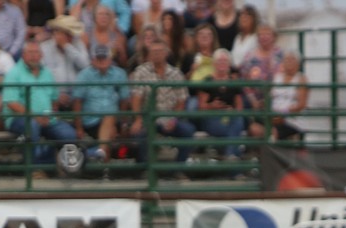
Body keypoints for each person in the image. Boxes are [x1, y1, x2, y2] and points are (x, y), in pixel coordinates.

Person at [1, 38, 77, 172]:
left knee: (68, 134)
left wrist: (49, 114)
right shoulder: (14, 73)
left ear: (41, 55)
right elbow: (12, 103)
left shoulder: (47, 73)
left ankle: (52, 165)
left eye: (36, 52)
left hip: (47, 118)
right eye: (29, 52)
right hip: (19, 119)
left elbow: (54, 99)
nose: (33, 56)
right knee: (32, 127)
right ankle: (33, 169)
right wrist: (35, 116)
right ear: (23, 55)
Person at [128, 39, 194, 173]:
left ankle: (178, 169)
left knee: (188, 131)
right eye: (153, 52)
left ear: (166, 53)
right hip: (148, 117)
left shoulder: (176, 74)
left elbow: (182, 100)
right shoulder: (141, 72)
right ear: (149, 54)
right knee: (139, 134)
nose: (157, 54)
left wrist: (174, 118)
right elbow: (136, 98)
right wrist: (138, 119)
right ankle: (146, 170)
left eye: (159, 51)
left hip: (169, 117)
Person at [71, 42, 128, 162]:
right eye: (98, 58)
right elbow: (77, 102)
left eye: (104, 58)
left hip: (113, 119)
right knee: (110, 127)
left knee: (110, 119)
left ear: (110, 59)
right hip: (91, 120)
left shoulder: (119, 74)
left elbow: (124, 99)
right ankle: (104, 166)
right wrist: (79, 128)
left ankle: (100, 157)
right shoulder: (84, 76)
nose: (102, 61)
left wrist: (123, 122)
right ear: (93, 60)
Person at [196, 48, 244, 159]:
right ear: (214, 64)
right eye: (219, 61)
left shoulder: (234, 82)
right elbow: (201, 106)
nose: (222, 64)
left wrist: (232, 111)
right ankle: (232, 155)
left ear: (229, 64)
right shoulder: (208, 81)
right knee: (233, 132)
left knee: (238, 120)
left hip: (230, 118)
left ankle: (230, 156)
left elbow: (239, 105)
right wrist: (212, 107)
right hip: (212, 118)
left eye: (225, 61)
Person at [39, 14, 88, 109]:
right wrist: (55, 94)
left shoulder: (78, 44)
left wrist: (67, 47)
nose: (71, 37)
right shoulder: (44, 48)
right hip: (52, 95)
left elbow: (85, 66)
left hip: (77, 95)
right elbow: (41, 75)